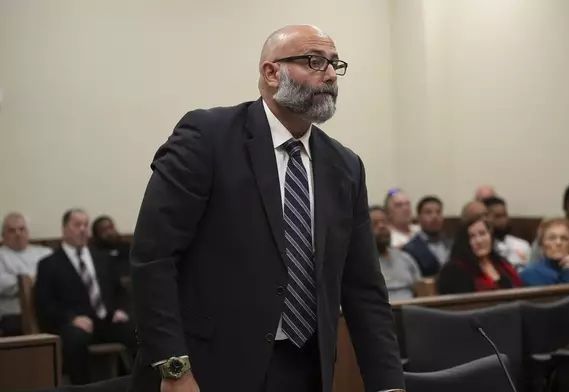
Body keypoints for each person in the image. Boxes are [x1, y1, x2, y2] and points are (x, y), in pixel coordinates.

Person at [128, 25, 405, 392]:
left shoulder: (345, 166)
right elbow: (154, 258)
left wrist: (388, 384)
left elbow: (364, 288)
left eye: (334, 64)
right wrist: (174, 368)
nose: (329, 74)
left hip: (306, 367)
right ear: (271, 73)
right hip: (207, 368)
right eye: (313, 61)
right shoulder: (207, 137)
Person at [34, 209, 135, 385]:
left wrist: (121, 309)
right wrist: (72, 318)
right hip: (75, 324)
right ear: (64, 229)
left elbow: (120, 290)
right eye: (77, 225)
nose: (83, 229)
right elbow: (44, 304)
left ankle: (139, 384)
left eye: (85, 225)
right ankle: (82, 387)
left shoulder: (102, 258)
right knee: (74, 339)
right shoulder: (49, 264)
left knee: (138, 330)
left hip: (107, 320)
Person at [437, 217, 522, 294]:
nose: (479, 241)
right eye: (472, 236)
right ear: (464, 241)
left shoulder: (502, 263)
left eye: (483, 234)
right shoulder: (454, 269)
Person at [0, 212, 52, 336]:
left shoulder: (45, 253)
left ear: (27, 232)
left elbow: (56, 279)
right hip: (13, 312)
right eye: (12, 230)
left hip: (44, 309)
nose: (18, 234)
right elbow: (3, 284)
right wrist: (27, 280)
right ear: (3, 235)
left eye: (21, 229)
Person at [520, 218, 569, 286]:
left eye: (564, 238)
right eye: (552, 238)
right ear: (542, 244)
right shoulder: (530, 273)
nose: (558, 242)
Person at [370, 206, 422, 301]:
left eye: (385, 222)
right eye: (375, 224)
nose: (382, 226)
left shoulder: (405, 258)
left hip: (410, 311)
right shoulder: (355, 265)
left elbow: (420, 290)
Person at [403, 196, 452, 276]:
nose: (434, 216)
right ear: (419, 218)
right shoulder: (410, 249)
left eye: (438, 212)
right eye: (428, 212)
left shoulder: (451, 243)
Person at [482, 197, 531, 270]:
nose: (503, 220)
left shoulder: (522, 245)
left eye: (504, 215)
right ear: (485, 218)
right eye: (497, 216)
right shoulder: (481, 248)